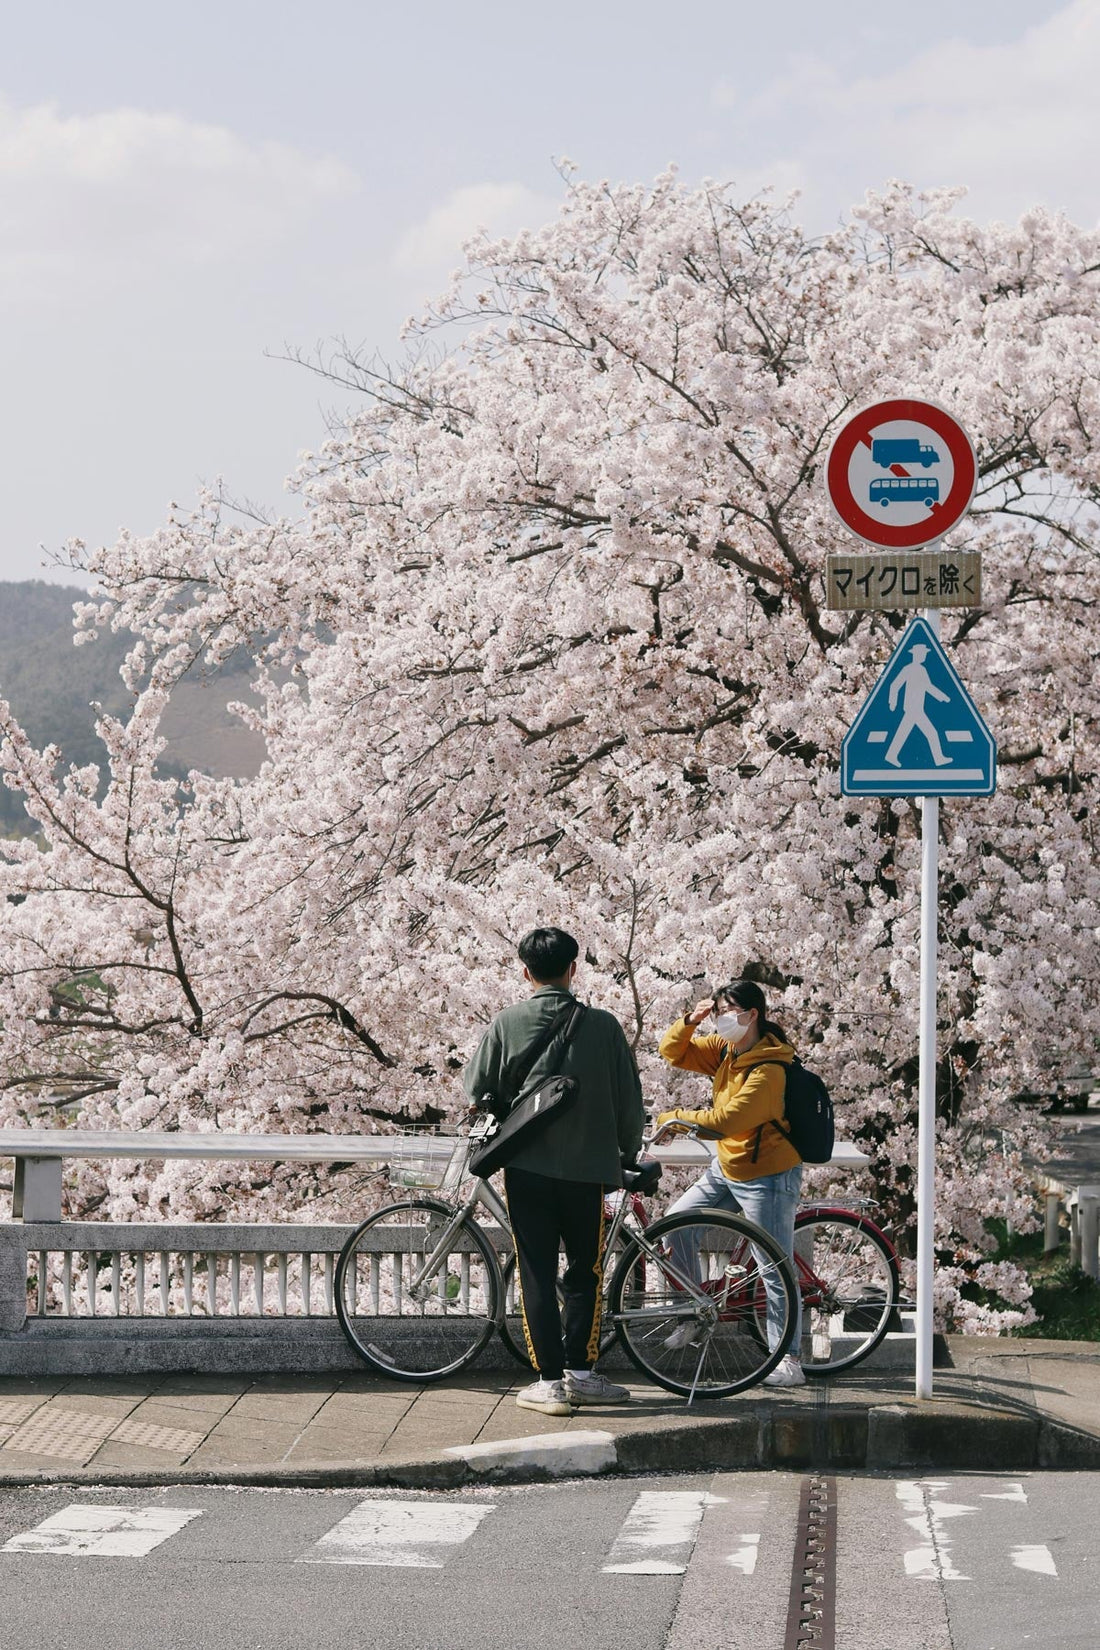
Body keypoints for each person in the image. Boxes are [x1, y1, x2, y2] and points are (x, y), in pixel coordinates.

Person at [464, 926, 646, 1417]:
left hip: (527, 1166)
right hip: (589, 1170)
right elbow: (631, 1103)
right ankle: (582, 1374)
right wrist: (626, 1153)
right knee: (585, 1269)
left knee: (536, 1270)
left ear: (526, 971)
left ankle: (548, 1382)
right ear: (573, 969)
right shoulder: (604, 1026)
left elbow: (476, 1087)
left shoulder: (507, 1021)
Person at [656, 978, 805, 1387]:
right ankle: (691, 1313)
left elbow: (726, 1123)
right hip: (728, 1166)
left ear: (752, 1014)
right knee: (676, 1224)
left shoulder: (770, 1069)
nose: (720, 1020)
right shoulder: (726, 1051)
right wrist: (691, 1019)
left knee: (773, 1266)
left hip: (767, 1176)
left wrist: (674, 1117)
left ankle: (788, 1358)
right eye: (717, 1012)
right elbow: (672, 1051)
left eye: (726, 1012)